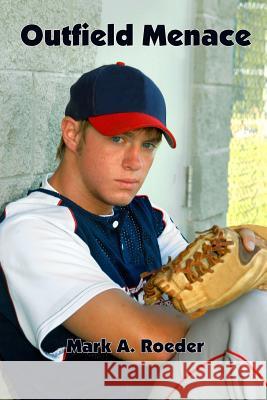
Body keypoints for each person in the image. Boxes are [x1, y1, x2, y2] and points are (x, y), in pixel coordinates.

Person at [0, 62, 260, 362]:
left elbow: (210, 288)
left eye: (148, 144)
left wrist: (241, 259)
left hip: (159, 386)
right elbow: (149, 343)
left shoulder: (149, 217)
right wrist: (228, 304)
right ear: (72, 134)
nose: (135, 162)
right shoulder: (31, 230)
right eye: (118, 138)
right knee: (251, 312)